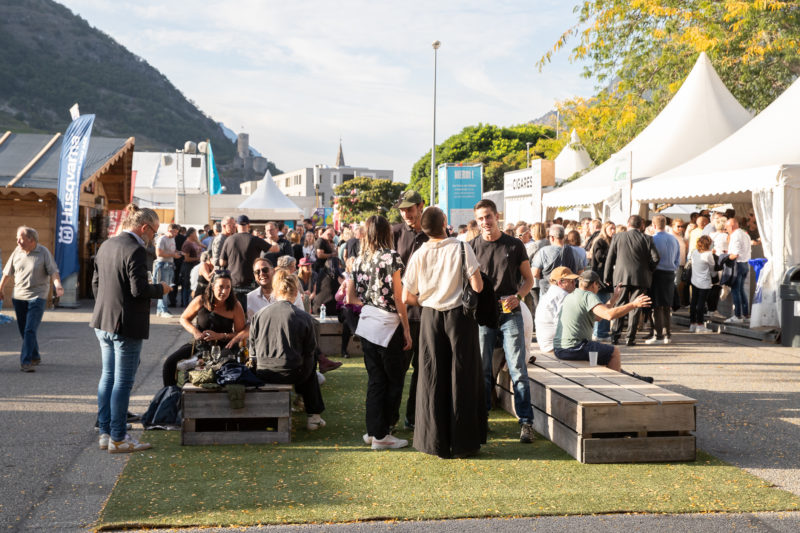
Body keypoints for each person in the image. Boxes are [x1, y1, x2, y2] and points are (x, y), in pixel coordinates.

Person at [402, 206, 486, 458]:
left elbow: (407, 296)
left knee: (431, 376)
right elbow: (478, 286)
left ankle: (434, 442)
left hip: (430, 316)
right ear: (445, 223)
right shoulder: (461, 247)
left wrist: (428, 300)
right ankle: (464, 443)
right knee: (462, 375)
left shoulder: (419, 253)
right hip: (459, 315)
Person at [91, 204, 170, 453]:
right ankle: (117, 437)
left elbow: (95, 284)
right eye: (154, 232)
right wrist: (161, 289)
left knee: (108, 378)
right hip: (124, 324)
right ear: (144, 227)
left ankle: (106, 433)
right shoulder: (134, 249)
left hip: (103, 320)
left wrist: (107, 305)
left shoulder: (107, 244)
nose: (153, 238)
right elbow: (139, 290)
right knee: (122, 382)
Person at [470, 199, 536, 444]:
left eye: (488, 216)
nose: (485, 222)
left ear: (497, 216)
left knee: (518, 369)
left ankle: (526, 423)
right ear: (476, 221)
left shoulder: (515, 244)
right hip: (483, 316)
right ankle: (482, 421)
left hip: (510, 313)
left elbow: (529, 280)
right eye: (480, 218)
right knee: (483, 372)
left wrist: (518, 297)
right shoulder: (471, 247)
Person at [346, 215, 412, 450]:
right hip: (388, 323)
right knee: (393, 380)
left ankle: (374, 432)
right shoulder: (391, 257)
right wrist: (406, 328)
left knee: (376, 380)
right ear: (386, 232)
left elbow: (349, 297)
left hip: (368, 323)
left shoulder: (359, 259)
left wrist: (369, 304)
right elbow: (398, 296)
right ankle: (382, 433)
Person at [250, 268, 327, 430]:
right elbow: (310, 351)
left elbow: (253, 351)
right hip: (294, 372)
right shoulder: (304, 317)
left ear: (276, 291)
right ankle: (313, 415)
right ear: (296, 294)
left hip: (263, 371)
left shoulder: (259, 315)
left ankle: (306, 409)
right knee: (310, 364)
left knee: (307, 363)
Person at [553, 271, 652, 382]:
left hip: (560, 348)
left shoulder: (573, 295)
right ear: (594, 284)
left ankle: (634, 379)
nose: (598, 289)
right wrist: (633, 304)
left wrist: (614, 298)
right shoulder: (588, 295)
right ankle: (615, 388)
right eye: (598, 286)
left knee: (605, 355)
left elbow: (599, 317)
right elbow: (609, 315)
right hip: (574, 347)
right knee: (614, 352)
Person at [161, 270, 246, 386]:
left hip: (225, 346)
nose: (224, 291)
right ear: (212, 286)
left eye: (228, 287)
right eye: (221, 287)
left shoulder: (235, 305)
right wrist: (195, 332)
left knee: (217, 367)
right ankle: (170, 396)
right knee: (169, 363)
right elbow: (183, 319)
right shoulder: (201, 300)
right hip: (201, 344)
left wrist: (221, 336)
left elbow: (240, 333)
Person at [0, 226, 64, 372]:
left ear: (31, 240)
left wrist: (58, 285)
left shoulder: (43, 252)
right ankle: (34, 355)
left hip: (38, 296)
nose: (17, 241)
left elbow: (53, 271)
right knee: (24, 329)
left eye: (20, 238)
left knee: (30, 329)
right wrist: (0, 288)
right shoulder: (17, 252)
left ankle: (26, 361)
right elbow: (7, 272)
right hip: (19, 296)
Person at [392, 189, 428, 431]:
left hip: (426, 312)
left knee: (422, 370)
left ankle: (413, 417)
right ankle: (391, 419)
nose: (406, 213)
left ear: (421, 206)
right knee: (397, 369)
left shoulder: (433, 233)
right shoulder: (394, 232)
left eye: (410, 208)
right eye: (402, 209)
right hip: (400, 313)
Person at [604, 215, 660, 346]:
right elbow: (656, 258)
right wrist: (648, 269)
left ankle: (615, 336)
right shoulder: (647, 238)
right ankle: (630, 338)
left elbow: (610, 258)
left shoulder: (617, 237)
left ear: (628, 223)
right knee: (636, 307)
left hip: (621, 277)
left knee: (620, 304)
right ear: (641, 225)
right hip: (640, 277)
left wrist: (607, 277)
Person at [219, 214, 271, 313]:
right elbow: (274, 248)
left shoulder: (229, 239)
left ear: (237, 225)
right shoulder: (254, 239)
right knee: (252, 313)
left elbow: (222, 262)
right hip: (252, 282)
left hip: (233, 282)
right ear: (248, 225)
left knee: (234, 312)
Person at [646, 215, 680, 344]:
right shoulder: (674, 239)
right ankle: (667, 335)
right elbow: (677, 259)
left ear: (654, 226)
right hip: (670, 273)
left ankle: (659, 335)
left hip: (657, 273)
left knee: (657, 306)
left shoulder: (652, 239)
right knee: (667, 305)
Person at [534, 266, 578, 353]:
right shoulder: (563, 295)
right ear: (560, 282)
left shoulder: (549, 293)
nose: (574, 284)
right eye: (571, 281)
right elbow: (562, 324)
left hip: (546, 344)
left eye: (574, 281)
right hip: (555, 346)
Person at [531, 224, 580, 296]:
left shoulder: (544, 251)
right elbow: (580, 271)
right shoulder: (574, 251)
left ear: (552, 238)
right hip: (568, 291)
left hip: (548, 291)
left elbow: (535, 273)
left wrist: (545, 278)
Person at [590, 221, 616, 341]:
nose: (613, 231)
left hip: (607, 277)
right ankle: (599, 332)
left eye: (614, 228)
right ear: (605, 229)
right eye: (611, 228)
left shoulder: (610, 241)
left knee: (606, 303)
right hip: (600, 277)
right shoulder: (600, 241)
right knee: (602, 304)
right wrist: (612, 255)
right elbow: (599, 257)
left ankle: (603, 332)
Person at [724, 217, 752, 323]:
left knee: (736, 290)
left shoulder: (735, 235)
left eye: (726, 227)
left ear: (731, 226)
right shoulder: (745, 234)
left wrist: (724, 257)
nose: (726, 229)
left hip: (738, 264)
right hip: (745, 263)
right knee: (741, 290)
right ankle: (745, 314)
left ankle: (737, 316)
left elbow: (735, 255)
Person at [688, 235, 716, 333]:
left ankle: (692, 324)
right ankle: (700, 325)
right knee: (701, 304)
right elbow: (712, 269)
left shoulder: (694, 252)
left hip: (694, 280)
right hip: (704, 282)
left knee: (693, 303)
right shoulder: (708, 254)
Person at [152, 224, 181, 318]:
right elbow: (158, 253)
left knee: (166, 288)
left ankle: (161, 310)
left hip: (169, 265)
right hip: (163, 265)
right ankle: (162, 310)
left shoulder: (172, 239)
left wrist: (177, 252)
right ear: (169, 230)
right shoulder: (162, 239)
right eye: (174, 232)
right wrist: (173, 255)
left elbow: (171, 250)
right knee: (164, 288)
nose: (175, 234)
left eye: (177, 232)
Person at [179, 228, 202, 307]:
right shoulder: (187, 244)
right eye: (195, 234)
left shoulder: (193, 242)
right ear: (191, 234)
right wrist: (198, 258)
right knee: (186, 286)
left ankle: (187, 303)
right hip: (188, 267)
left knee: (190, 285)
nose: (196, 235)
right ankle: (185, 304)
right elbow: (186, 259)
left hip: (193, 266)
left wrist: (198, 252)